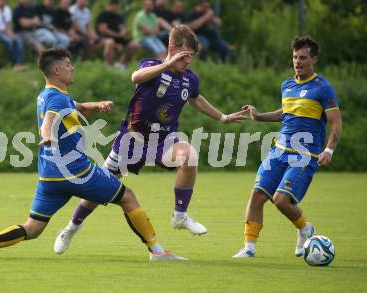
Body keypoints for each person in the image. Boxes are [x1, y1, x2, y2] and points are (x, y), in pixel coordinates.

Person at [0, 48, 186, 262]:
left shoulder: (50, 94)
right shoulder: (56, 98)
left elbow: (76, 107)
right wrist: (47, 134)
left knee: (33, 227)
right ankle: (157, 252)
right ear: (58, 69)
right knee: (128, 197)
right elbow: (49, 120)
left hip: (49, 175)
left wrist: (97, 105)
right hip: (75, 171)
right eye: (69, 65)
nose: (72, 68)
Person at [54, 25, 246, 255]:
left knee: (189, 156)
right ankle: (71, 229)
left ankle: (180, 216)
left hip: (163, 141)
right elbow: (135, 76)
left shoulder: (189, 79)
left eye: (191, 57)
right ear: (172, 49)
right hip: (131, 141)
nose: (188, 61)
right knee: (98, 191)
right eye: (184, 55)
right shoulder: (152, 67)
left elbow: (195, 99)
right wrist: (168, 64)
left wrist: (223, 117)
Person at [232, 36, 342, 258]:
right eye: (294, 57)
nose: (297, 62)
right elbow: (286, 113)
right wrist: (259, 116)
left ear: (314, 60)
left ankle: (305, 228)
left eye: (303, 58)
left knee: (281, 200)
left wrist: (329, 149)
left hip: (304, 155)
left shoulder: (323, 88)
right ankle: (249, 248)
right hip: (278, 151)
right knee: (257, 196)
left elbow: (336, 123)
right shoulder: (287, 85)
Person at [95, 0, 139, 69]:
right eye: (115, 6)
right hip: (104, 38)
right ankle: (109, 66)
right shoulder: (103, 15)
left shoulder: (118, 17)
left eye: (117, 6)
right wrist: (117, 34)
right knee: (110, 42)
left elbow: (122, 28)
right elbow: (103, 30)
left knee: (134, 44)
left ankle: (120, 64)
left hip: (118, 38)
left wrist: (123, 32)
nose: (116, 7)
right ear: (110, 5)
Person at [0, 0, 25, 70]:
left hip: (4, 31)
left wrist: (11, 34)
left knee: (17, 40)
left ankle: (19, 63)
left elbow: (8, 24)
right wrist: (0, 33)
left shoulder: (7, 9)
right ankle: (13, 63)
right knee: (8, 41)